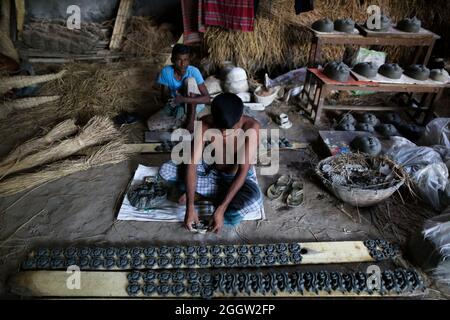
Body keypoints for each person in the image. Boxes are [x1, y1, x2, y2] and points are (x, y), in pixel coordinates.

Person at [159, 93, 263, 233]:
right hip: (211, 172)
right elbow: (192, 165)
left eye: (230, 129)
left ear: (240, 118)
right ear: (213, 118)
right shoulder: (204, 124)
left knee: (254, 203)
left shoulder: (251, 127)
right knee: (166, 169)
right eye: (220, 129)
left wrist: (221, 208)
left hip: (236, 178)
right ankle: (202, 195)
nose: (225, 133)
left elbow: (242, 172)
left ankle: (204, 196)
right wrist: (190, 207)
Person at [147, 44, 210, 133]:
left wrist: (183, 99)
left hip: (192, 106)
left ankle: (191, 120)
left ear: (189, 60)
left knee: (190, 81)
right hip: (175, 103)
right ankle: (181, 122)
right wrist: (173, 99)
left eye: (185, 60)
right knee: (151, 124)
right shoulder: (166, 71)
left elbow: (207, 99)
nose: (183, 64)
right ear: (172, 60)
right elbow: (164, 97)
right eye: (179, 60)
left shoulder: (194, 71)